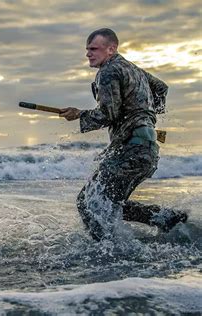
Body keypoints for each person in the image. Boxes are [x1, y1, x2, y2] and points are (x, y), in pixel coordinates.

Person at [59, 28, 187, 241]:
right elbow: (162, 88)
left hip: (132, 149)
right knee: (113, 203)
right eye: (87, 50)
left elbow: (108, 114)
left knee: (88, 201)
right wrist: (146, 116)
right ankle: (168, 218)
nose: (88, 54)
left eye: (94, 49)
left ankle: (104, 251)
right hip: (147, 150)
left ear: (111, 49)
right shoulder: (134, 70)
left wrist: (79, 114)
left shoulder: (108, 71)